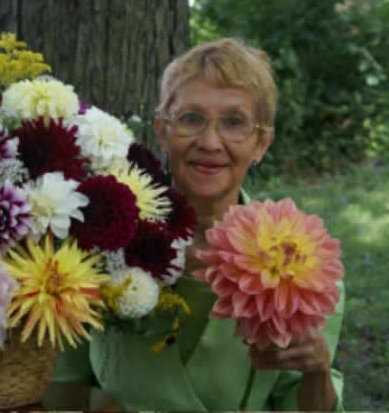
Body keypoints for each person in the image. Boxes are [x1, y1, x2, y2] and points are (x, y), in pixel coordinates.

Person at [52, 37, 345, 411]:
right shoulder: (100, 241)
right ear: (162, 131)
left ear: (261, 143)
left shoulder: (307, 269)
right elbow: (62, 388)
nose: (210, 142)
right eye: (191, 118)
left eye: (234, 122)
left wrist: (318, 371)